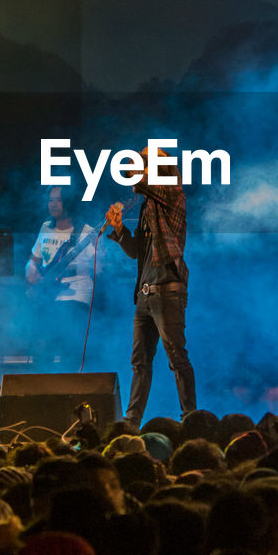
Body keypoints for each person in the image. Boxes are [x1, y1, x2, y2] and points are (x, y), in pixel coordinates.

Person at [105, 146, 196, 428]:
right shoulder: (148, 207)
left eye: (146, 162)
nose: (139, 166)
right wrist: (120, 230)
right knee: (140, 362)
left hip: (167, 290)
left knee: (177, 357)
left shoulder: (173, 194)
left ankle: (190, 419)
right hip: (144, 294)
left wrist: (137, 170)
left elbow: (143, 183)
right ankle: (131, 423)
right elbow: (137, 252)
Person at [25, 186, 98, 368]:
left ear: (69, 202)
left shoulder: (86, 231)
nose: (53, 204)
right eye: (51, 200)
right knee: (41, 350)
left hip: (76, 294)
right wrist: (30, 268)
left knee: (69, 350)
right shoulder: (46, 228)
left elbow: (100, 269)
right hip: (47, 294)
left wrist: (100, 251)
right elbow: (34, 259)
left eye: (58, 200)